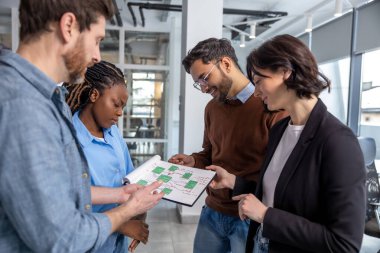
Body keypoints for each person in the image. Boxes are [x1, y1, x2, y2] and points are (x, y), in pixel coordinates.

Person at [0, 1, 164, 252]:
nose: (97, 55)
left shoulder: (50, 99)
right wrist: (128, 210)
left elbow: (63, 191)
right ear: (68, 26)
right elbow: (64, 239)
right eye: (97, 40)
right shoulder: (23, 106)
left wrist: (120, 195)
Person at [207, 34, 366, 253]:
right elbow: (280, 194)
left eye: (260, 81)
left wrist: (265, 216)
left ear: (285, 72)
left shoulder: (338, 142)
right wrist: (235, 182)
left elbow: (344, 243)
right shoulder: (281, 129)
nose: (256, 92)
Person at [168, 38, 288, 253]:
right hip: (212, 213)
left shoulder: (272, 107)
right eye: (199, 83)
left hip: (248, 217)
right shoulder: (212, 108)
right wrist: (194, 160)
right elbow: (210, 153)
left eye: (205, 78)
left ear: (225, 64)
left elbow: (279, 177)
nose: (203, 88)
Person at [63, 60, 148, 253]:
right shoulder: (70, 140)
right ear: (94, 95)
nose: (119, 113)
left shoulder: (112, 132)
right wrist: (123, 225)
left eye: (123, 107)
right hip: (91, 242)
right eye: (116, 104)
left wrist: (138, 213)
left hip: (117, 242)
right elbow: (71, 205)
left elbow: (129, 176)